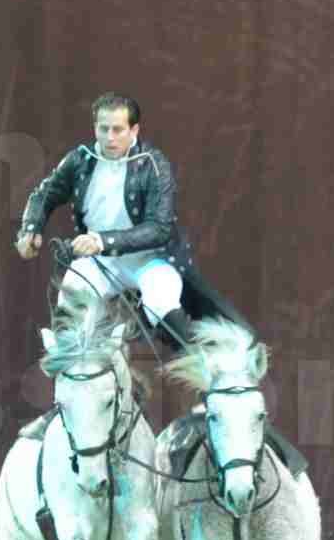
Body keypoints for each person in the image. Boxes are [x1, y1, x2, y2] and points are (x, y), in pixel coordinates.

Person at [15, 92, 251, 353]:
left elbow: (160, 229)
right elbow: (44, 195)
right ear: (95, 127)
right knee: (72, 294)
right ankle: (71, 375)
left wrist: (102, 241)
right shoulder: (79, 161)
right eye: (103, 129)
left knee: (159, 303)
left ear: (134, 129)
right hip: (100, 262)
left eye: (118, 129)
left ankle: (201, 365)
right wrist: (31, 228)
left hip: (151, 261)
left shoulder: (153, 164)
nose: (110, 137)